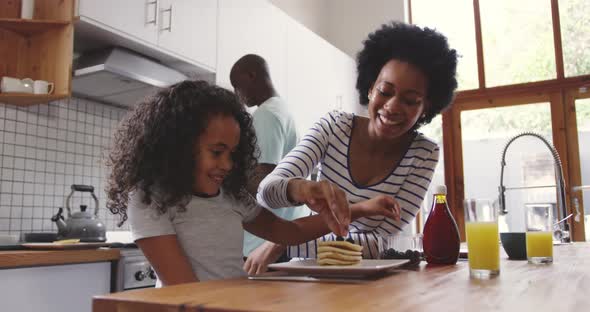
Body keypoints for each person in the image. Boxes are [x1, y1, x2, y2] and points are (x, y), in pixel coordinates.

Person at [105, 80, 401, 286]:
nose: (227, 165)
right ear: (179, 146)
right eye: (216, 152)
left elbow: (289, 232)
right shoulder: (149, 200)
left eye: (232, 154)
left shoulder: (229, 197)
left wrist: (359, 209)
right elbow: (184, 290)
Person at [256, 22, 458, 269]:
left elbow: (381, 244)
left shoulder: (423, 154)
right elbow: (266, 193)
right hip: (312, 275)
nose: (393, 106)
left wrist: (286, 241)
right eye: (385, 91)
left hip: (377, 282)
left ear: (425, 107)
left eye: (410, 100)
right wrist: (299, 188)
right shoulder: (333, 126)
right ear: (371, 87)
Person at [229, 54, 310, 264]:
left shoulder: (266, 114)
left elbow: (261, 183)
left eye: (237, 86)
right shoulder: (283, 110)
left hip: (263, 243)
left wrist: (224, 184)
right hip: (284, 235)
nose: (238, 96)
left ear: (251, 75)